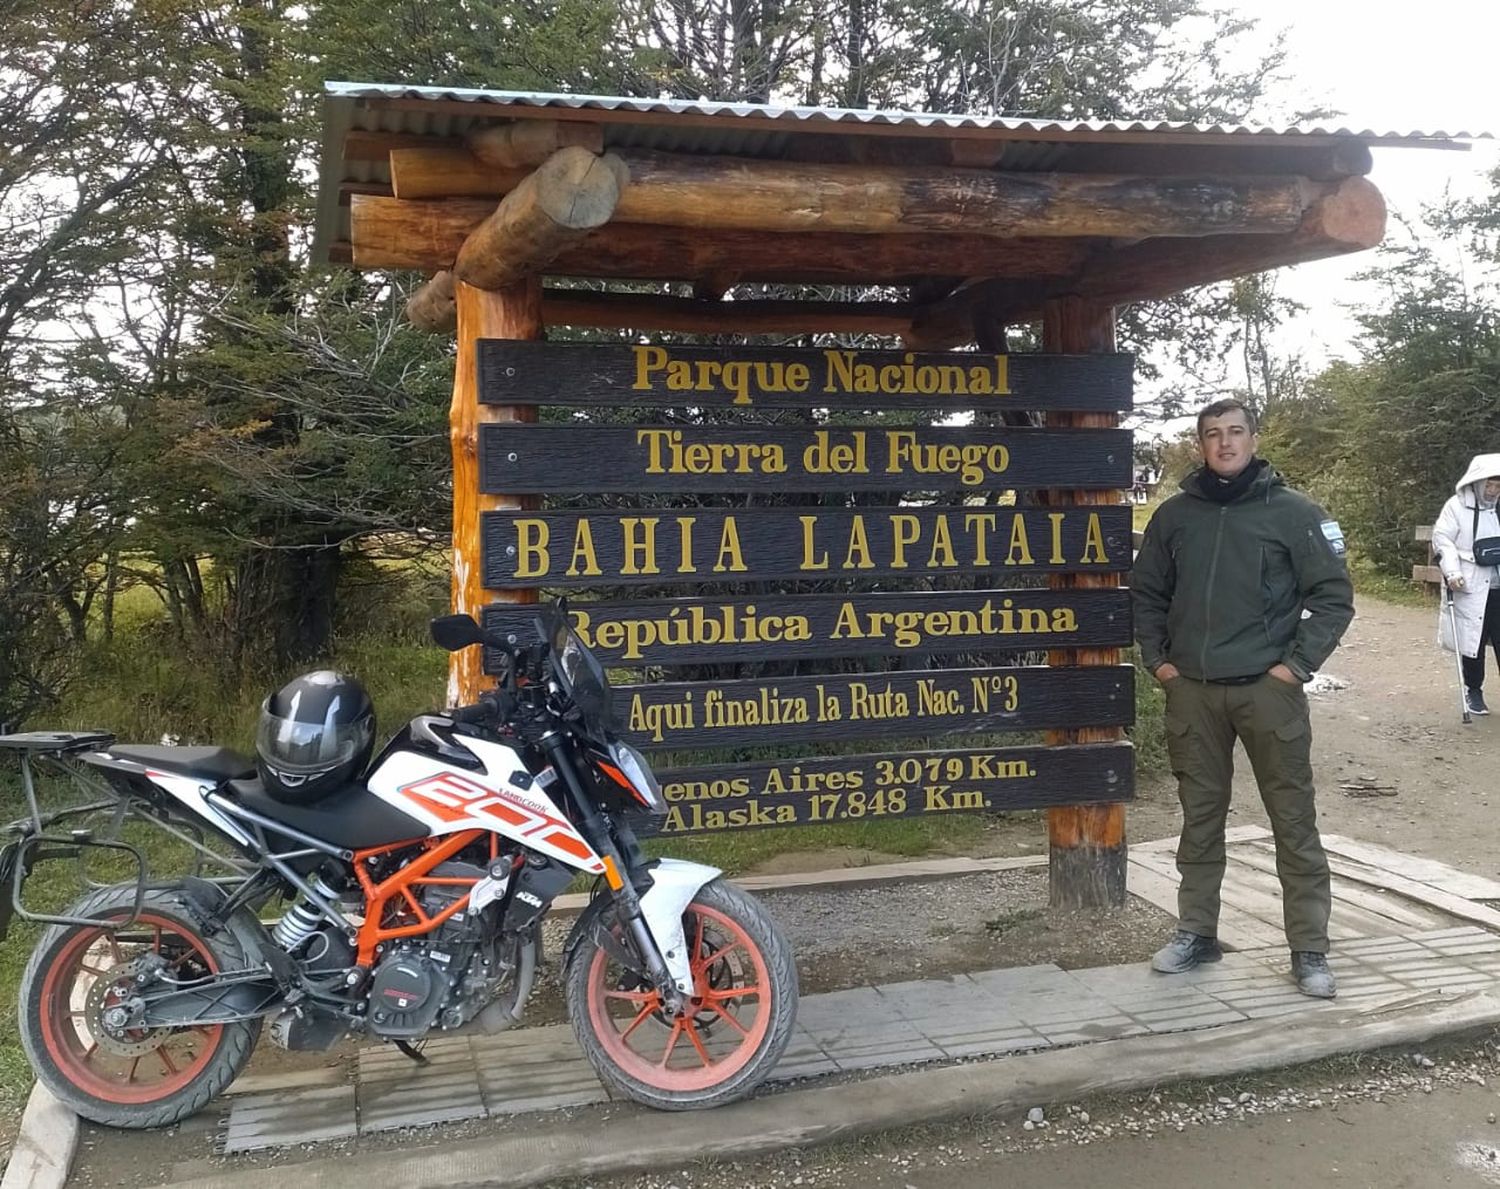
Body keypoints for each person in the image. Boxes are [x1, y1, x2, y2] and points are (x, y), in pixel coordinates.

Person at [1132, 398, 1355, 998]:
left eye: (1235, 432)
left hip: (1268, 692)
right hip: (1193, 694)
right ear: (1200, 444)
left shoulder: (1294, 513)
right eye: (1213, 434)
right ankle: (1196, 933)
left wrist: (1295, 666)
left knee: (1293, 820)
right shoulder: (1176, 516)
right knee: (1200, 820)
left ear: (1254, 439)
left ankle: (1309, 949)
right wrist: (1161, 663)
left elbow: (1334, 596)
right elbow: (1147, 593)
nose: (1225, 443)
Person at [1432, 454, 1500, 716]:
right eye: (1489, 485)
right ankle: (1474, 690)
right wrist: (1452, 571)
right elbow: (1443, 539)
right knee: (1474, 640)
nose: (1493, 491)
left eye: (1498, 486)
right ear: (1478, 482)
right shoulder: (1456, 507)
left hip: (1498, 586)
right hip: (1471, 584)